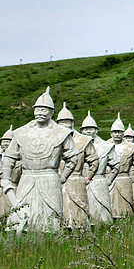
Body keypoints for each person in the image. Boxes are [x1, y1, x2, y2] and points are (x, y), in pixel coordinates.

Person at [1, 88, 79, 233]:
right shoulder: (21, 132)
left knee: (51, 220)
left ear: (51, 113)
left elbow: (73, 156)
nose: (40, 113)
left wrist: (63, 177)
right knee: (21, 216)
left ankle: (49, 244)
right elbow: (10, 157)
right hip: (27, 178)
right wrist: (5, 178)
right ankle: (23, 245)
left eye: (44, 110)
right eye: (37, 109)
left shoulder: (61, 133)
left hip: (50, 179)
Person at [57, 103, 98, 229]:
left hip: (77, 180)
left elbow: (94, 161)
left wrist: (88, 178)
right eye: (61, 122)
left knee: (79, 215)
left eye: (67, 121)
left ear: (73, 123)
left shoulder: (83, 140)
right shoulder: (53, 139)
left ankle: (82, 241)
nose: (64, 125)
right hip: (56, 181)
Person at [82, 111, 118, 225]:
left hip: (99, 181)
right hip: (82, 182)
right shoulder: (76, 145)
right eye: (86, 129)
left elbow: (116, 165)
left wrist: (109, 180)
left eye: (91, 128)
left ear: (96, 130)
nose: (88, 131)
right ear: (81, 130)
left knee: (103, 212)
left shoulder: (105, 146)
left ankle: (104, 231)